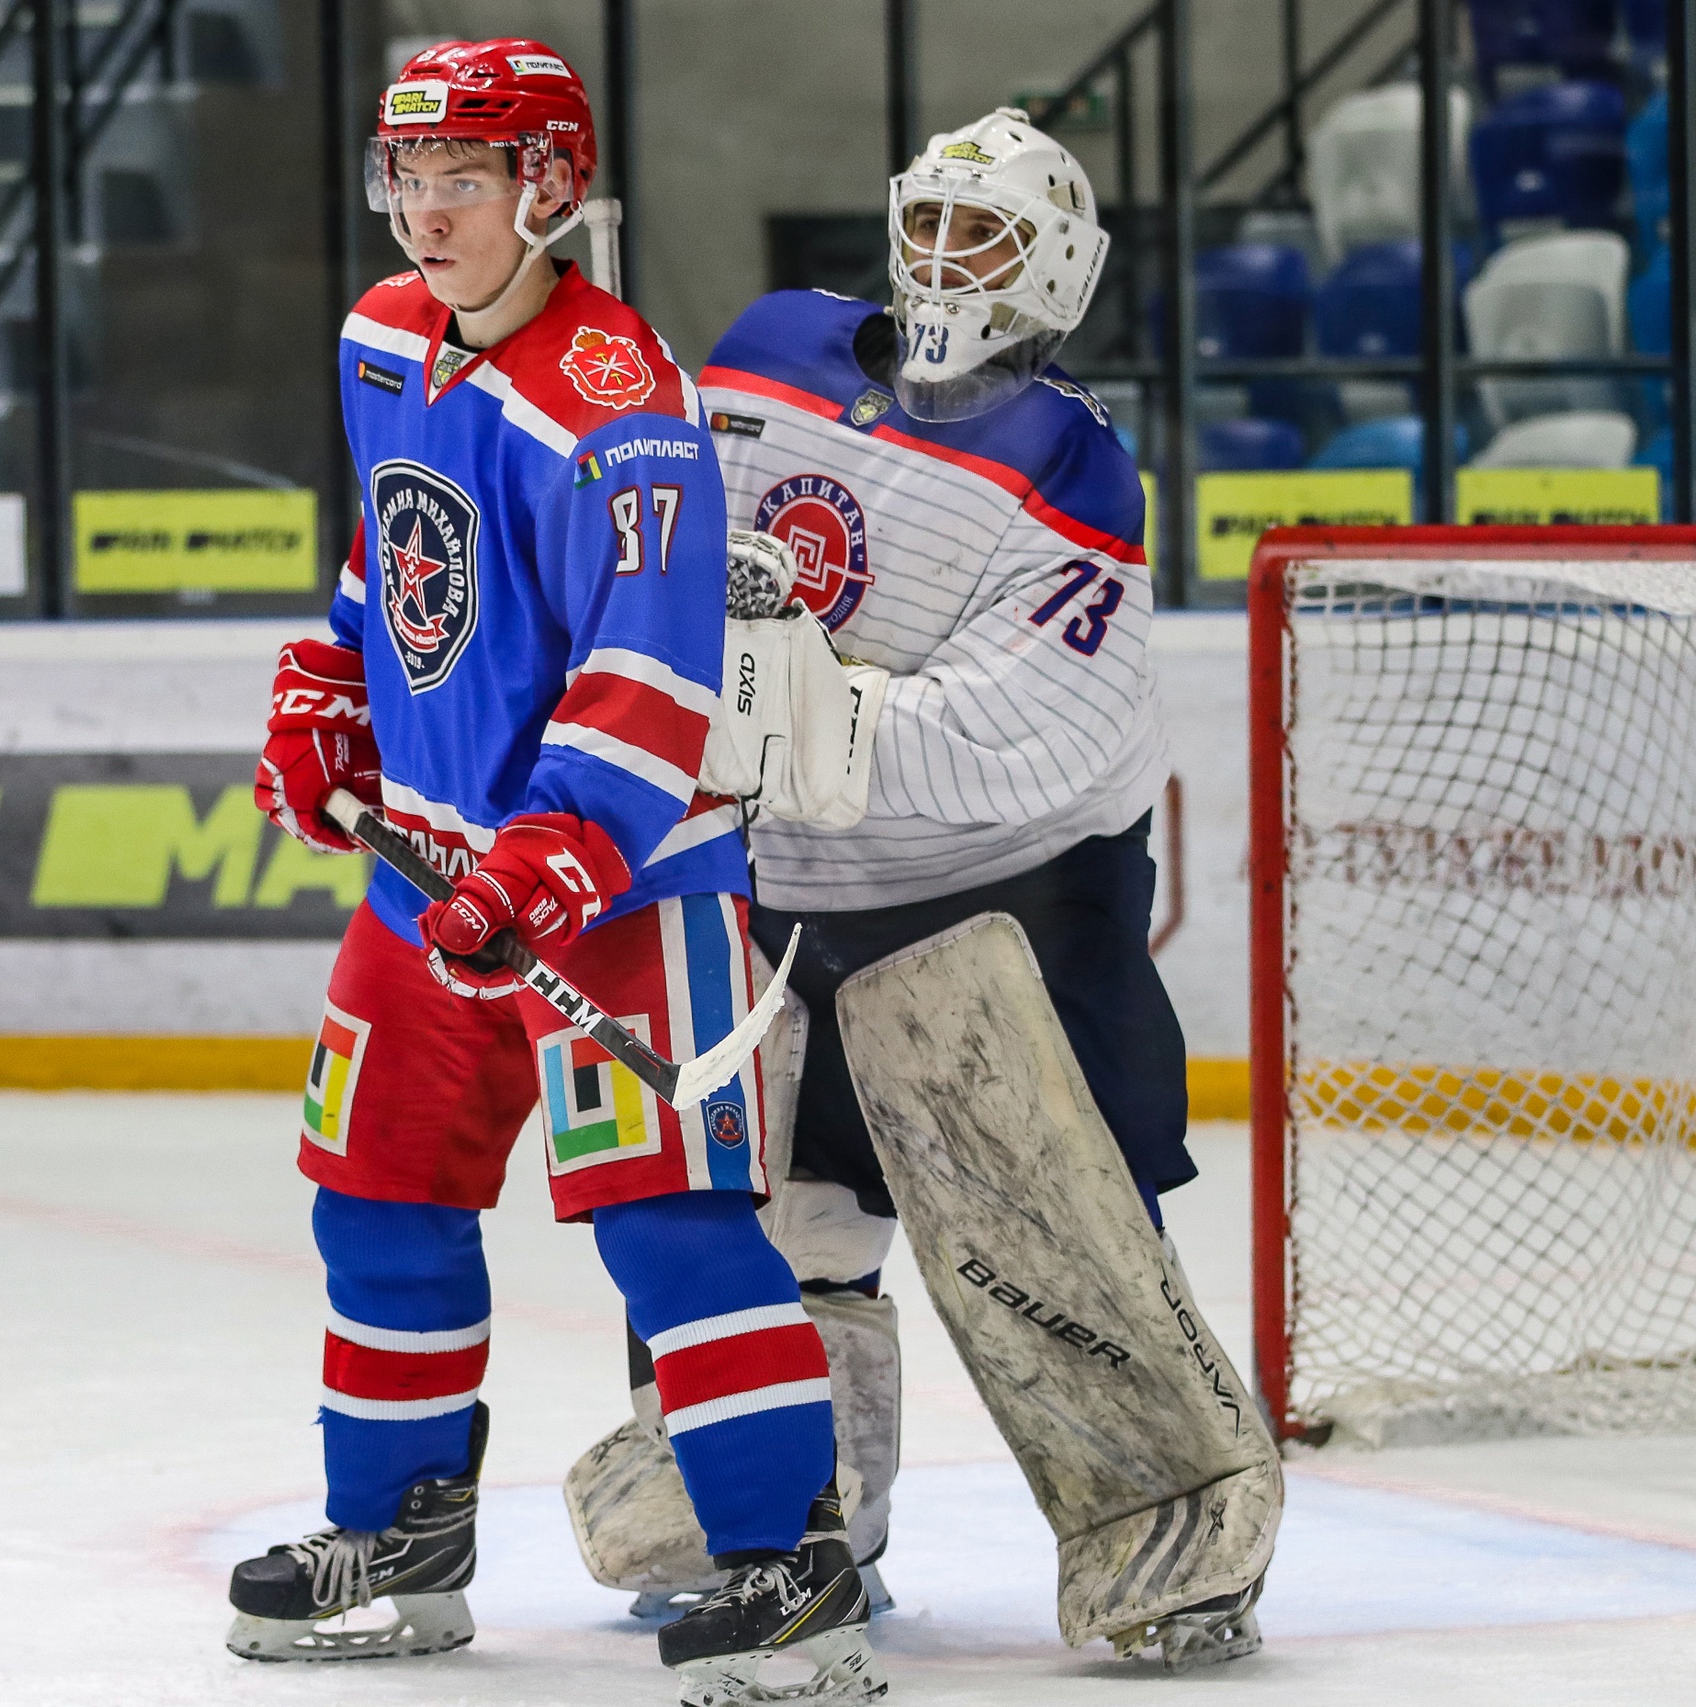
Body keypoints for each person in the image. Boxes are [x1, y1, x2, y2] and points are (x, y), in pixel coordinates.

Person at [568, 107, 1278, 1671]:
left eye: (989, 233)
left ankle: (1170, 1532)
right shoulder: (770, 350)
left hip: (1004, 905)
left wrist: (788, 705)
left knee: (1059, 1227)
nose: (948, 259)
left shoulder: (1071, 460)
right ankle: (791, 1519)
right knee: (778, 1221)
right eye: (932, 224)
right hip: (776, 891)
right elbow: (657, 541)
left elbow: (1033, 730)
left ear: (1060, 268)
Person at [225, 39, 883, 1706]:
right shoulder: (384, 335)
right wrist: (331, 688)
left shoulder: (621, 406)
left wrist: (554, 855)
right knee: (376, 1194)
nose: (424, 215)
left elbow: (651, 670)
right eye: (407, 179)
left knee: (670, 1226)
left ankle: (790, 1563)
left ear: (548, 188)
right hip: (426, 885)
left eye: (461, 181)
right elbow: (400, 551)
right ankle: (402, 1526)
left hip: (621, 897)